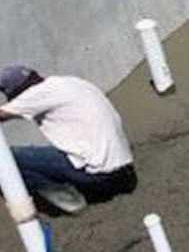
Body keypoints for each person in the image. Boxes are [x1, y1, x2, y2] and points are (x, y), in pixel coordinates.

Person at [0, 65, 137, 215]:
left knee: (9, 158)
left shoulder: (36, 94)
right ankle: (78, 192)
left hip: (97, 175)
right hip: (124, 170)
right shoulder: (70, 83)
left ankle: (65, 200)